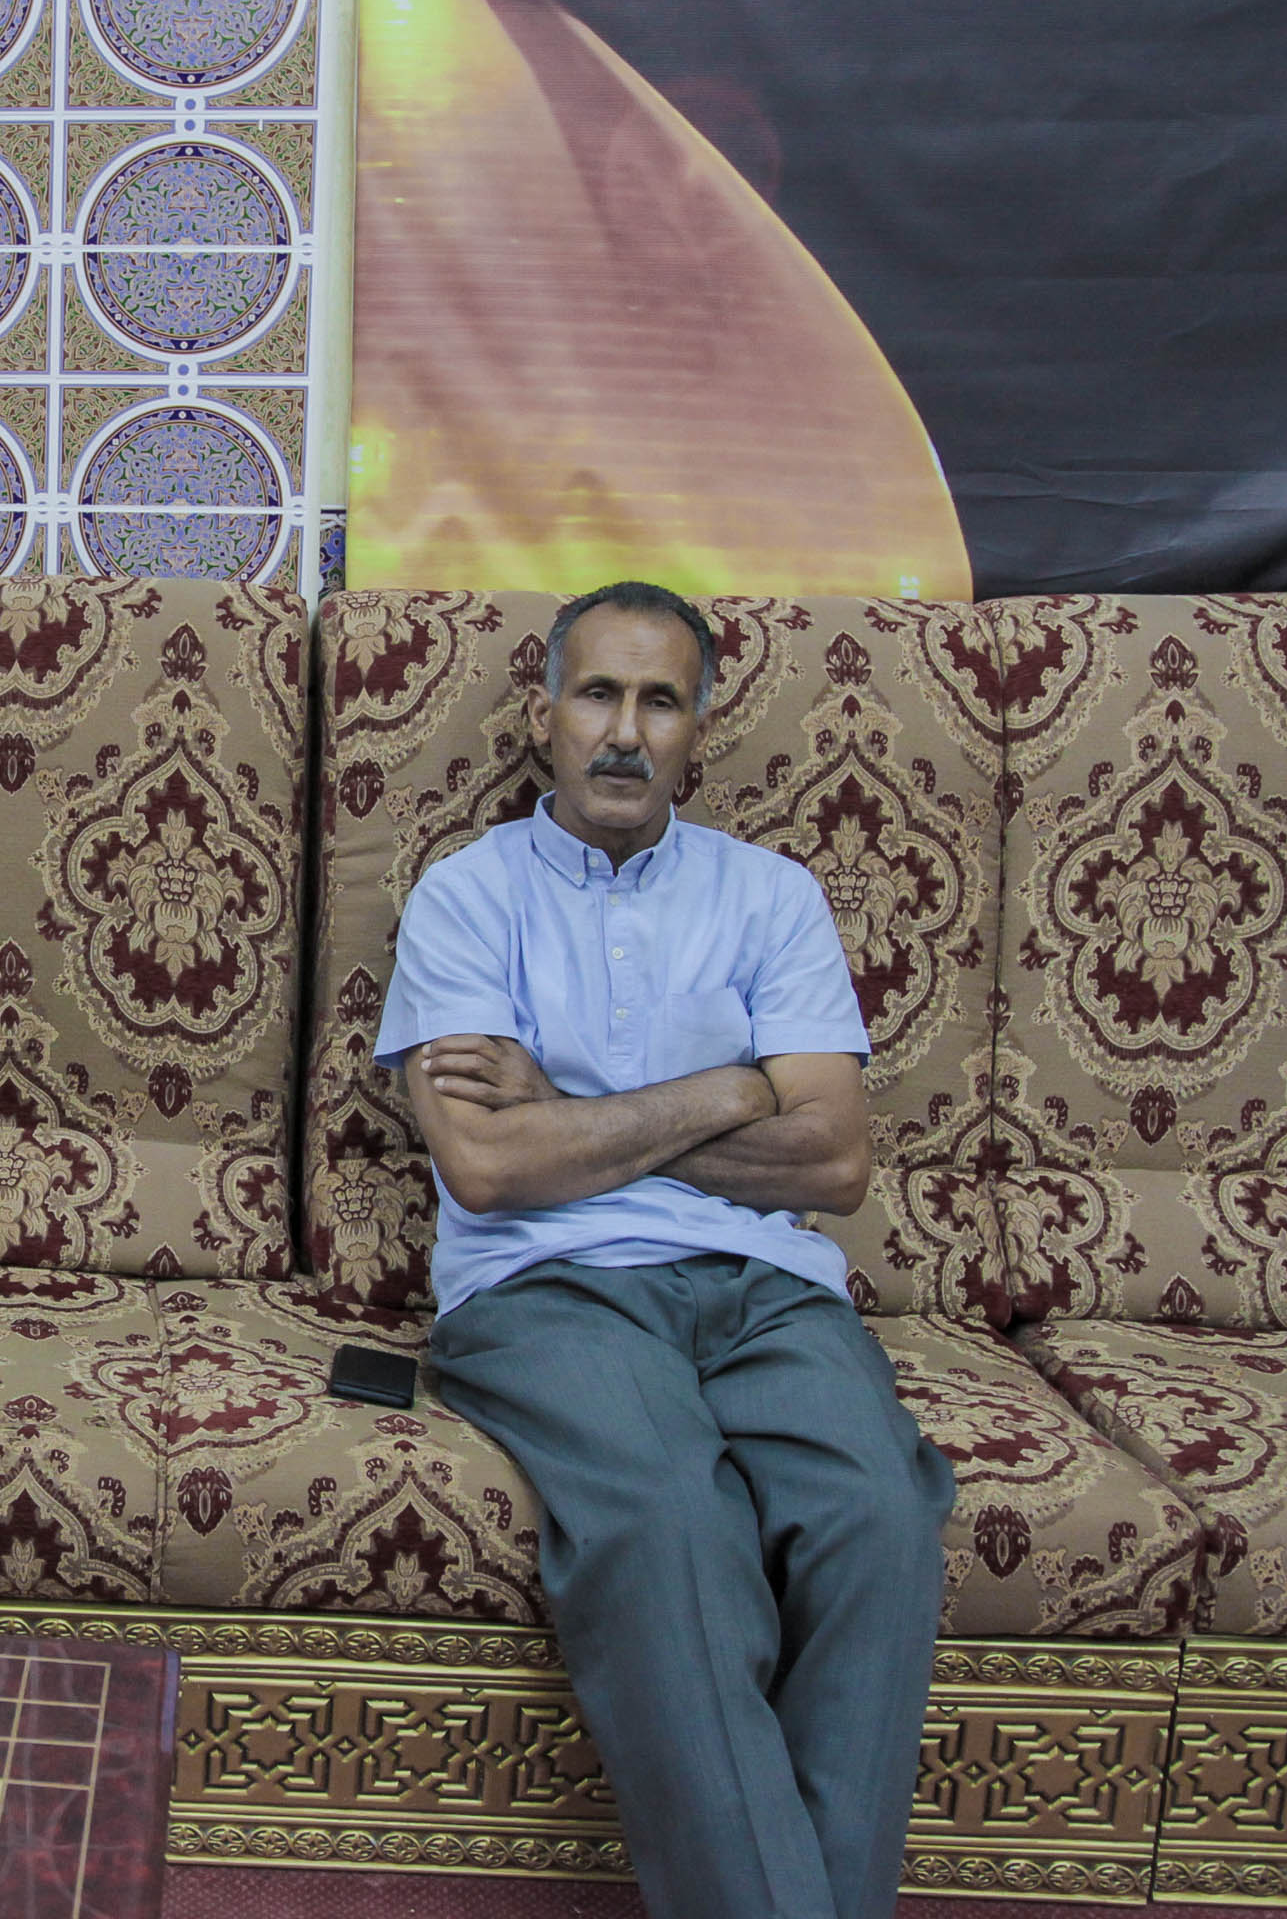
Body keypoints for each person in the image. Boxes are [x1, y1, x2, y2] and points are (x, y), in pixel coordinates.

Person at [377, 581, 955, 1919]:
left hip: (769, 1289)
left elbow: (835, 1162)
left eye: (659, 701)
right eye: (598, 694)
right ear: (544, 717)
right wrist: (731, 1089)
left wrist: (571, 1110)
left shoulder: (771, 898)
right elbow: (489, 1167)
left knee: (882, 1510)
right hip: (549, 1285)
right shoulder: (468, 899)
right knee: (671, 1524)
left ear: (699, 728)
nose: (625, 732)